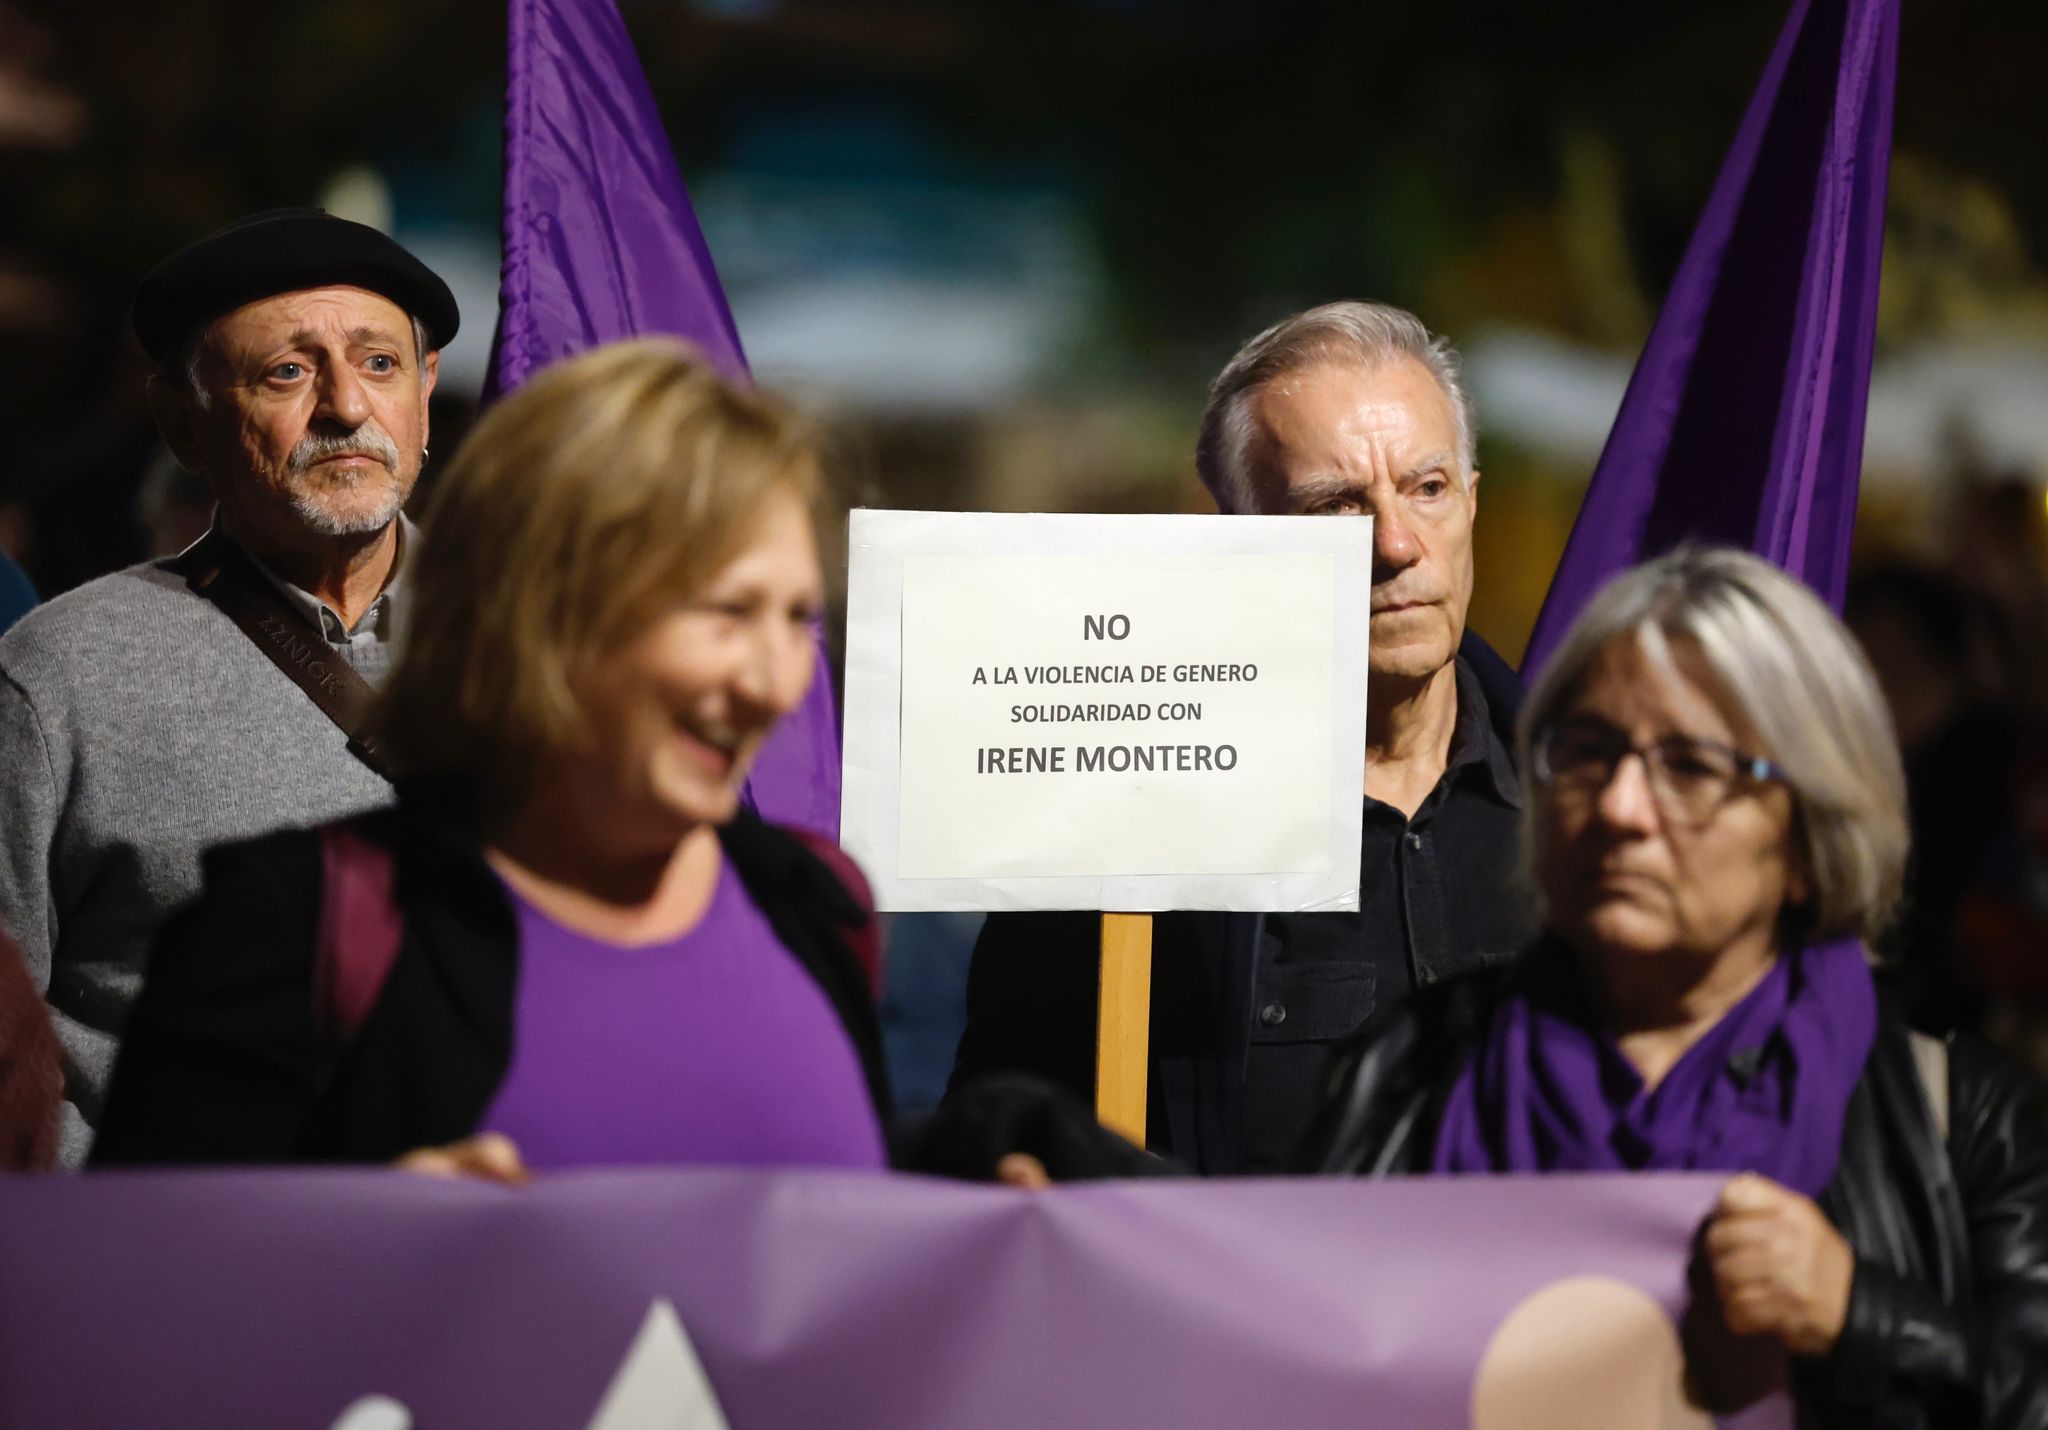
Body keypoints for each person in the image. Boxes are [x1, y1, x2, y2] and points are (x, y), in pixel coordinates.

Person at [92, 339, 889, 1174]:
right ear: (546, 608)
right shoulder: (288, 933)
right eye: (727, 612)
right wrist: (355, 1232)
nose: (775, 684)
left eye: (797, 618)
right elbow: (134, 1253)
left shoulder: (817, 905)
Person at [1304, 547, 2048, 1425]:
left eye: (1690, 766)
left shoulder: (1967, 1123)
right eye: (1587, 751)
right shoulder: (1407, 1068)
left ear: (1808, 838)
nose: (1620, 808)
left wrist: (1860, 1314)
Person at [951, 302, 1530, 1172]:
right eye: (1338, 505)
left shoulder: (1597, 810)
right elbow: (999, 1139)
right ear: (1237, 543)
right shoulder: (1118, 849)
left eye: (1428, 488)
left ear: (1473, 503)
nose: (1397, 544)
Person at [0, 208, 458, 1162]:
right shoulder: (61, 675)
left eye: (379, 364)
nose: (346, 407)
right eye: (287, 372)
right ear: (183, 425)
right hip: (180, 1244)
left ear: (425, 392)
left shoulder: (544, 643)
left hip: (493, 1236)